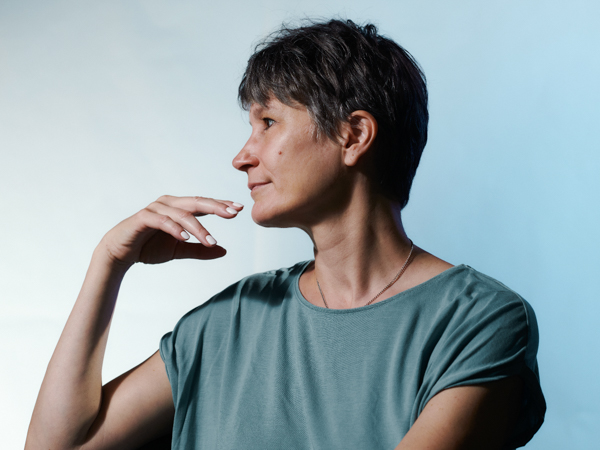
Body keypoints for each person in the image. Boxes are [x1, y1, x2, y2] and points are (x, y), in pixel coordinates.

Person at [25, 19, 545, 450]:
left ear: (353, 135)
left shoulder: (479, 321)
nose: (242, 157)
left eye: (268, 122)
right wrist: (109, 262)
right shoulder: (230, 321)